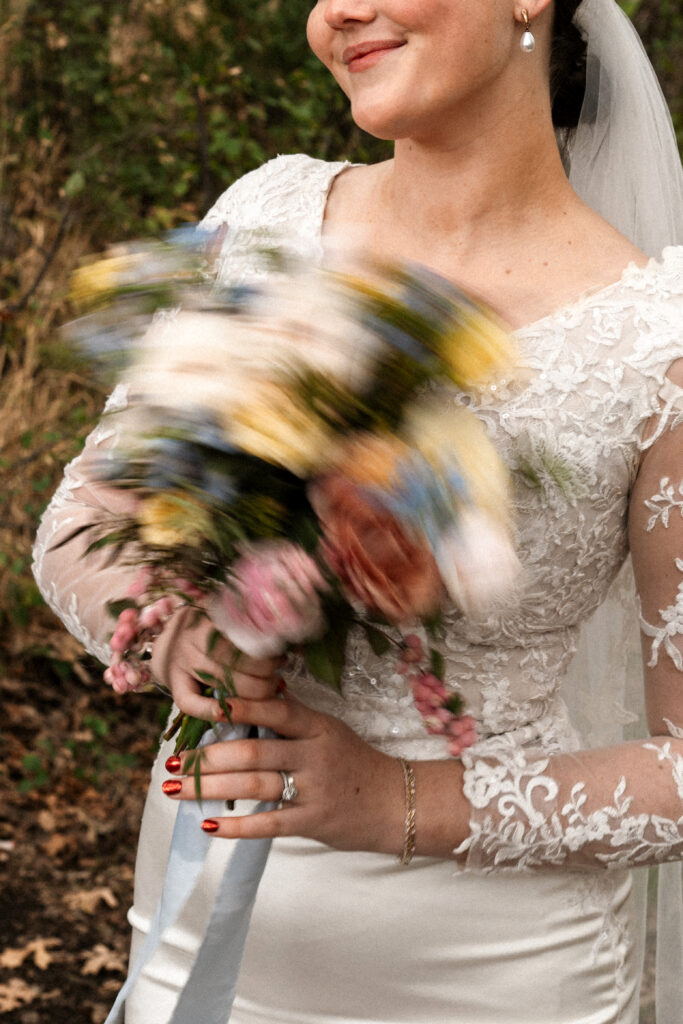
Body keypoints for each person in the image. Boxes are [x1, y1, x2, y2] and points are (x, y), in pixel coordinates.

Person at [33, 1, 683, 1022]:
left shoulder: (655, 345)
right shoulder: (267, 214)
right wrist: (179, 637)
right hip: (194, 922)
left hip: (491, 977)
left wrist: (395, 800)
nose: (334, 11)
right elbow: (81, 511)